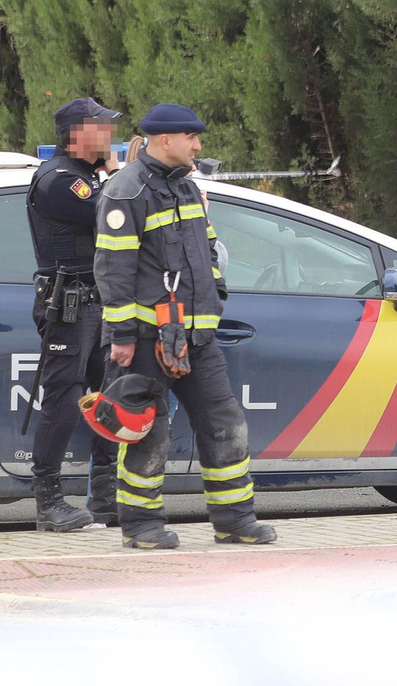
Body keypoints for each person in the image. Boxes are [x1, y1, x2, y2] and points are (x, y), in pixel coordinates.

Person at [95, 103, 276, 550]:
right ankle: (141, 528)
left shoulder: (187, 189)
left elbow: (208, 249)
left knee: (225, 425)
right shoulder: (126, 190)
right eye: (191, 137)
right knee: (148, 433)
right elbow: (114, 269)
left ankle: (235, 521)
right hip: (145, 339)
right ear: (166, 140)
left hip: (197, 338)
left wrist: (215, 293)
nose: (198, 146)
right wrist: (121, 336)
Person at [25, 97, 123, 531]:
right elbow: (115, 216)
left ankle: (104, 498)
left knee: (110, 396)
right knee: (64, 398)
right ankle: (49, 503)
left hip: (97, 303)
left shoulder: (84, 176)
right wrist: (116, 173)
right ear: (79, 134)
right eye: (104, 129)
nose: (112, 137)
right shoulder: (59, 181)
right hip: (69, 305)